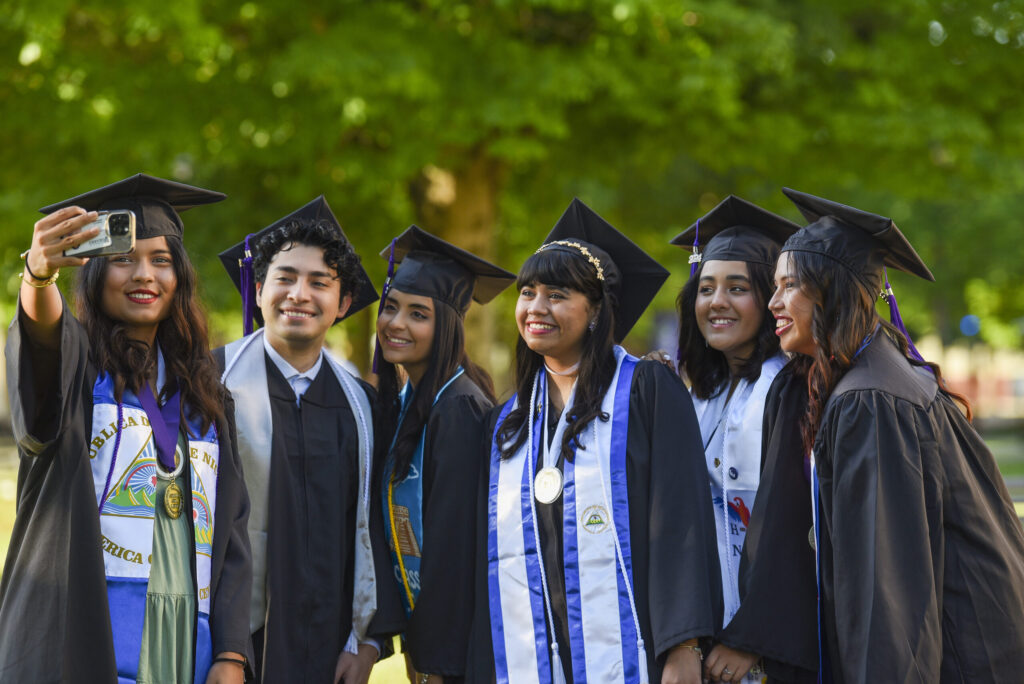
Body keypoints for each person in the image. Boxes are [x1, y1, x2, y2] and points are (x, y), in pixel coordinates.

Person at [764, 188, 1024, 683]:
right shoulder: (885, 377)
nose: (773, 301)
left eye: (790, 285)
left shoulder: (871, 401)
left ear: (832, 289)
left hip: (960, 659)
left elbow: (888, 592)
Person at [0, 174, 252, 683]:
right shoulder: (78, 372)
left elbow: (234, 534)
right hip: (83, 636)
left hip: (186, 644)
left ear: (180, 276)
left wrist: (231, 652)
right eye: (123, 258)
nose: (145, 275)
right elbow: (44, 347)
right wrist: (38, 277)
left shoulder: (206, 396)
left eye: (161, 260)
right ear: (93, 273)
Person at [467, 198, 722, 684]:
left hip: (638, 647)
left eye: (557, 294)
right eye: (527, 292)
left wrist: (685, 646)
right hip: (535, 650)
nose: (536, 308)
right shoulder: (508, 422)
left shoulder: (646, 391)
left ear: (597, 310)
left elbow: (681, 522)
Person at [215, 197, 403, 683]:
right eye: (285, 278)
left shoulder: (365, 406)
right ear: (257, 290)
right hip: (227, 650)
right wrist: (226, 653)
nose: (299, 294)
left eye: (319, 283)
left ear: (342, 305)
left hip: (329, 651)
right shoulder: (207, 384)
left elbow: (375, 528)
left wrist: (367, 644)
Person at [373, 226, 516, 684]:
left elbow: (455, 552)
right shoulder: (409, 401)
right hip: (429, 642)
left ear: (448, 326)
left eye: (418, 314)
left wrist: (436, 663)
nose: (396, 323)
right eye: (391, 307)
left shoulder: (458, 409)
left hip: (454, 653)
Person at [669, 196, 800, 683]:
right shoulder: (704, 393)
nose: (716, 302)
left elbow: (794, 528)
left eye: (737, 288)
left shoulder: (788, 387)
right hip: (710, 632)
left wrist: (752, 636)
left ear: (768, 299)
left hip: (763, 642)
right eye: (705, 288)